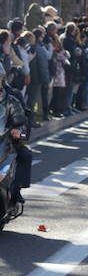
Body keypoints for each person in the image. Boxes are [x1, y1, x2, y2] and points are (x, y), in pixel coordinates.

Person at [1, 64, 29, 217]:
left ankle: (15, 192)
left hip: (6, 141)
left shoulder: (11, 97)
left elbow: (22, 120)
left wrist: (19, 131)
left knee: (25, 155)